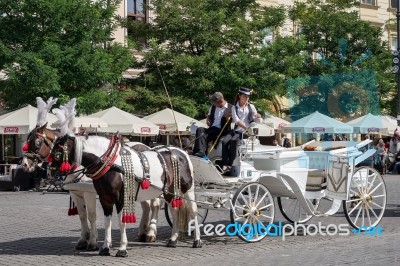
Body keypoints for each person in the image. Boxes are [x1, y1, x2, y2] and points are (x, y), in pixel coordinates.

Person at [221, 87, 261, 174]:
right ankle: (224, 163)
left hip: (246, 132)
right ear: (239, 96)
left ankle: (230, 164)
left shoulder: (251, 106)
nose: (247, 98)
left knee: (233, 140)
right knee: (224, 141)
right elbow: (236, 120)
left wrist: (258, 115)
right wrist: (245, 127)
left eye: (248, 97)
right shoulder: (234, 107)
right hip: (237, 130)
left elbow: (254, 116)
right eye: (245, 96)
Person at [193, 92, 232, 158]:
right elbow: (209, 115)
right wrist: (208, 119)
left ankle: (200, 152)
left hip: (223, 130)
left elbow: (236, 119)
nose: (213, 104)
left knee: (204, 135)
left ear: (220, 101)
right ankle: (200, 152)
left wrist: (230, 116)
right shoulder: (213, 107)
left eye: (214, 102)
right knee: (200, 130)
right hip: (212, 128)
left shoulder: (231, 108)